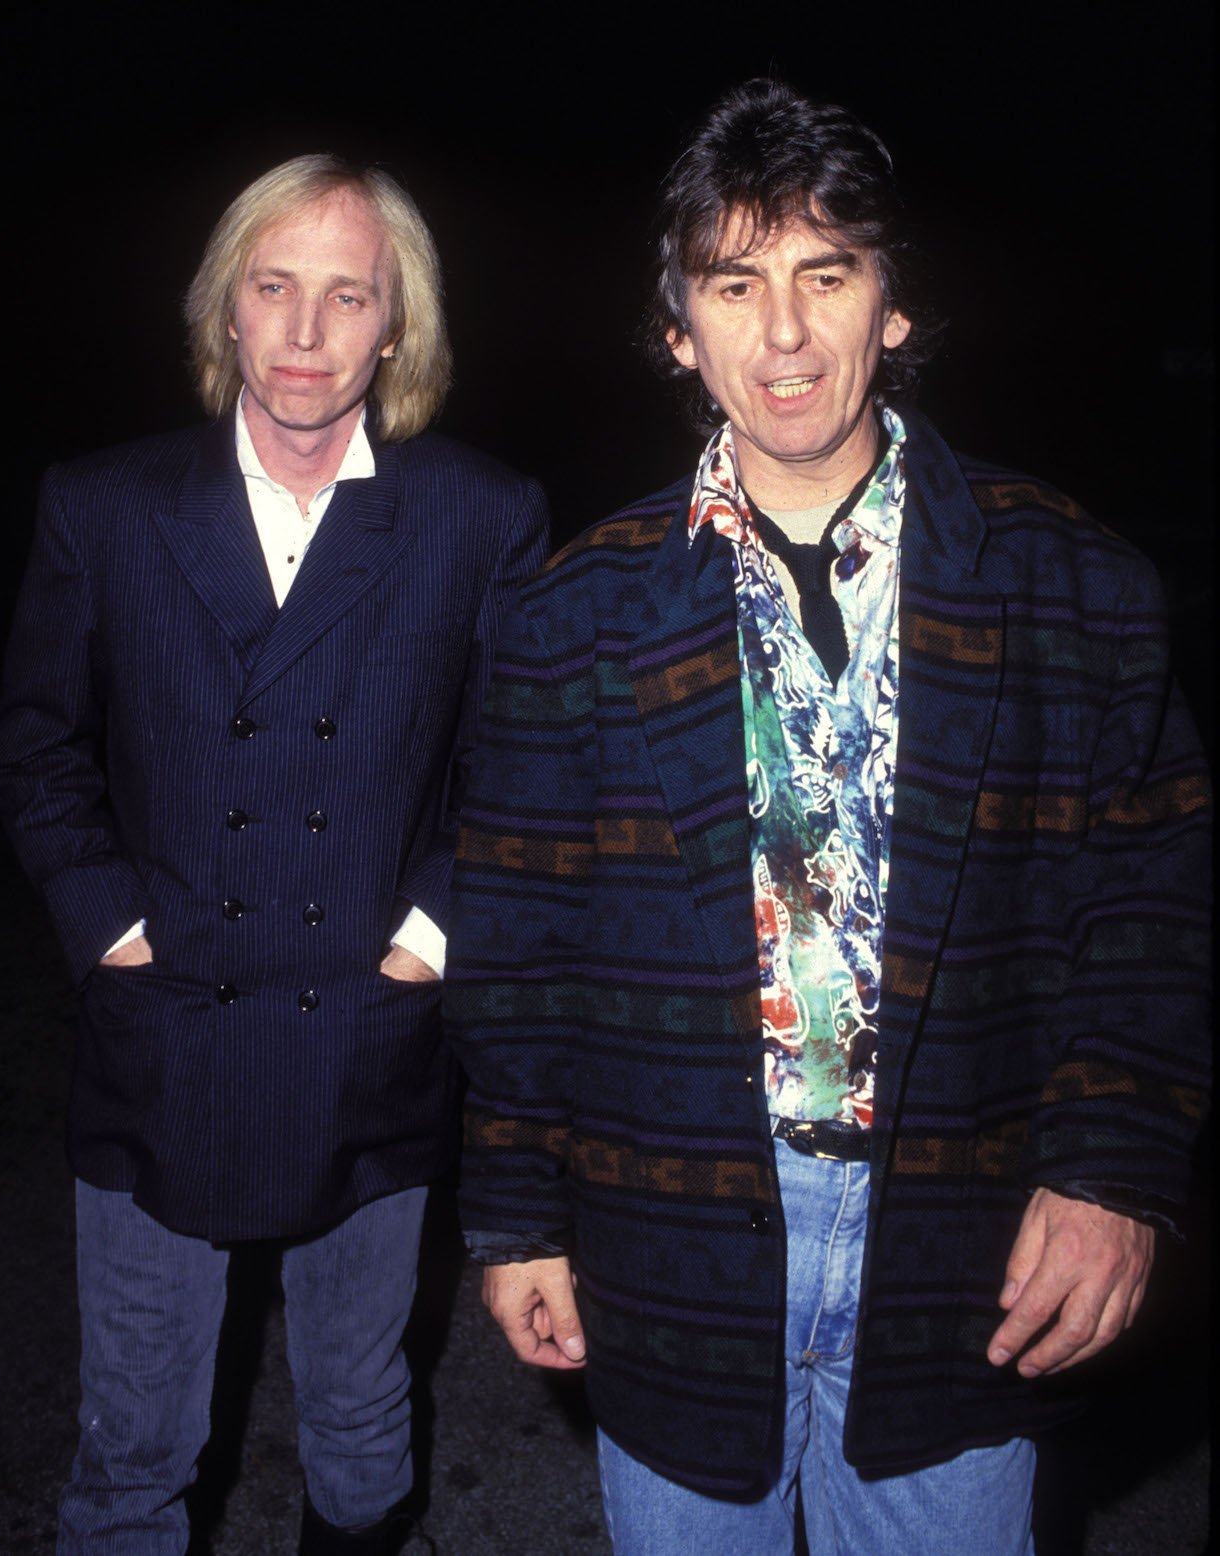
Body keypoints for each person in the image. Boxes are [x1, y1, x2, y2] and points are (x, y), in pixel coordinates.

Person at [444, 79, 1210, 1553]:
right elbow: (521, 942)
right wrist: (517, 1215)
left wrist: (1112, 1171)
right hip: (670, 1227)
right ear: (681, 329)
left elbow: (1153, 902)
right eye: (736, 285)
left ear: (894, 309)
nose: (784, 336)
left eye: (825, 276)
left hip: (967, 1239)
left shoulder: (1075, 586)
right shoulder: (572, 613)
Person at [0, 153, 548, 1554]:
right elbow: (34, 747)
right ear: (224, 312)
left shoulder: (482, 518)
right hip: (165, 1038)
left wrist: (433, 935)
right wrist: (111, 922)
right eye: (274, 288)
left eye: (346, 295)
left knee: (361, 1434)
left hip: (367, 1040)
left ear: (396, 324)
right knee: (132, 1451)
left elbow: (524, 766)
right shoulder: (106, 506)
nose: (306, 333)